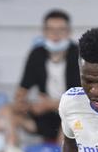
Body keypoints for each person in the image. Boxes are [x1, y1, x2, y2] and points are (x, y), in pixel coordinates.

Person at [12, 9, 79, 142]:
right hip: (44, 115)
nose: (56, 35)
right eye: (50, 30)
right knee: (7, 112)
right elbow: (22, 89)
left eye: (61, 30)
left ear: (69, 32)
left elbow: (83, 98)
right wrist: (23, 103)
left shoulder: (80, 55)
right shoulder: (37, 54)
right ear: (44, 32)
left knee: (70, 119)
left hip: (72, 114)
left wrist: (52, 104)